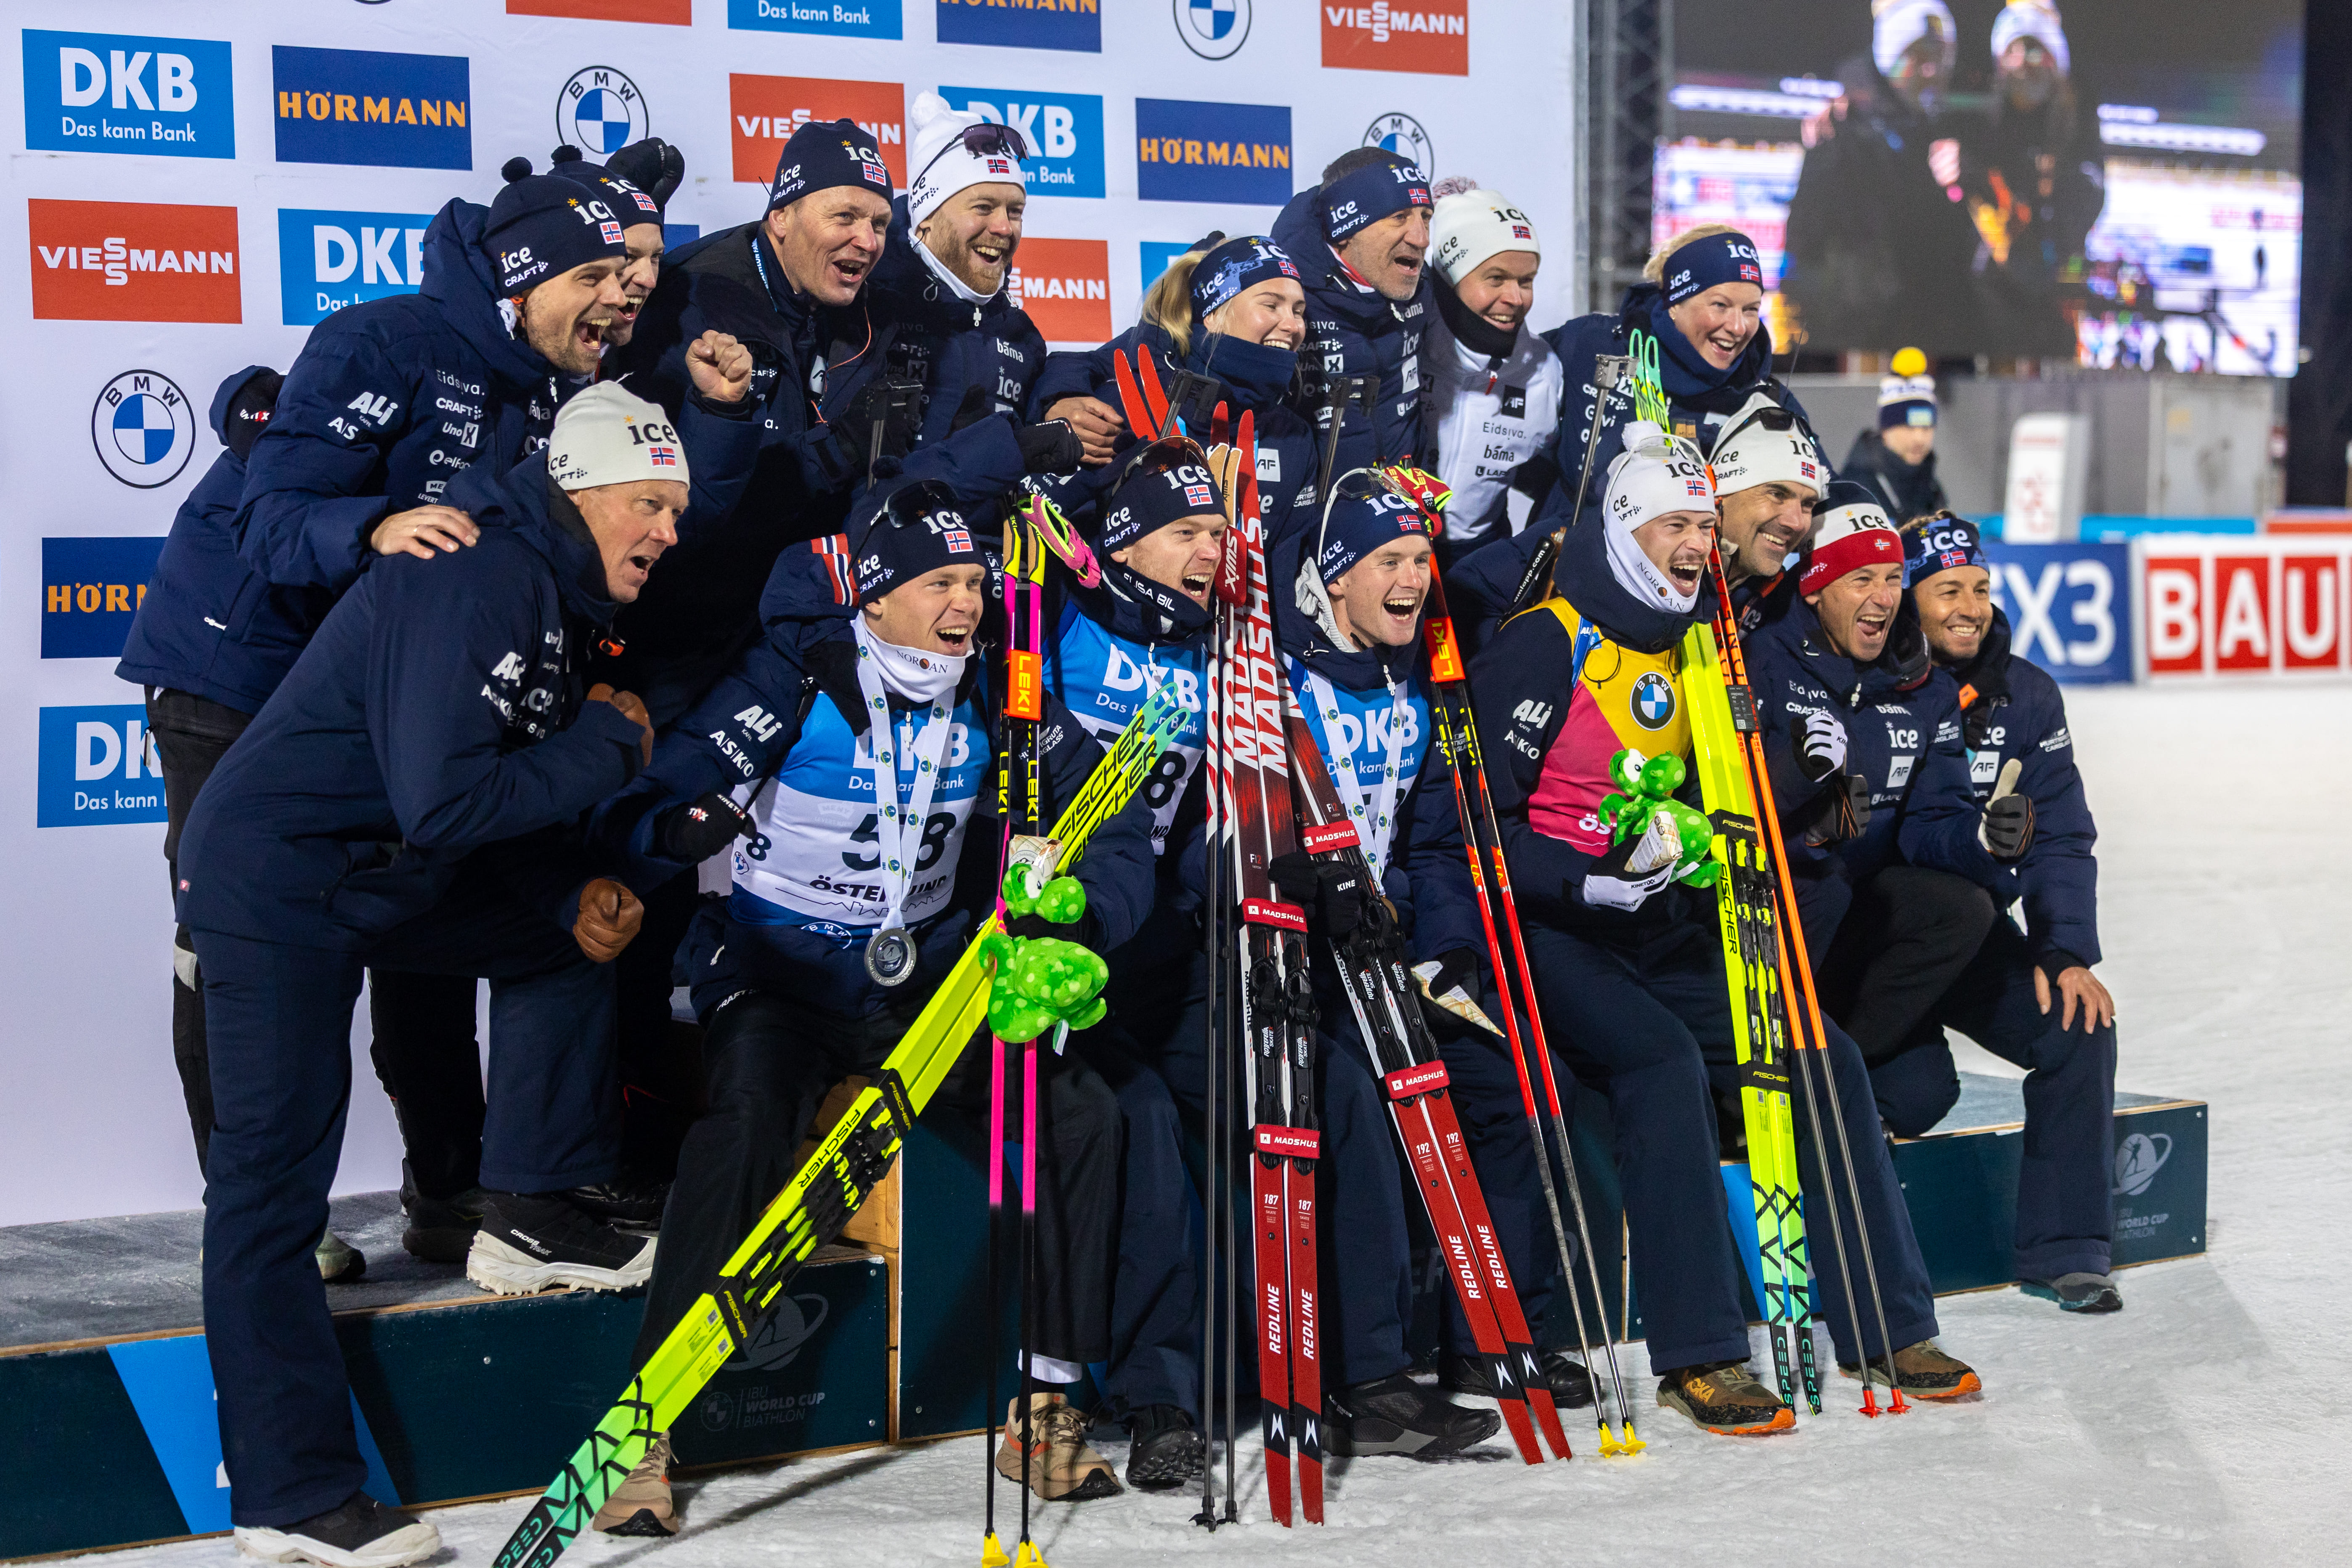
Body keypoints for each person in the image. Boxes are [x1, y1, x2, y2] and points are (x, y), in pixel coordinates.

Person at [176, 384, 713, 1568]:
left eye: (677, 508)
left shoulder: (556, 592)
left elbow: (467, 811)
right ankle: (292, 1490)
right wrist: (603, 741)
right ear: (578, 493)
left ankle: (525, 1201)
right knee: (272, 1177)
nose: (669, 530)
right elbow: (448, 798)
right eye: (649, 505)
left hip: (384, 873)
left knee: (578, 933)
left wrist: (564, 892)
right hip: (279, 880)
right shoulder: (479, 575)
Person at [586, 478, 1159, 1530]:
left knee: (1080, 1111)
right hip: (780, 974)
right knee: (746, 1125)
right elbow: (647, 803)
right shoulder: (796, 678)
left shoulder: (1003, 690)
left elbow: (1115, 825)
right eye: (940, 584)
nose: (966, 605)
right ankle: (645, 1425)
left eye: (976, 583)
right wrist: (674, 833)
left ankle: (1045, 1401)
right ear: (877, 597)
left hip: (925, 984)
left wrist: (1075, 912)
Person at [224, 170, 726, 1266]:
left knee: (446, 914)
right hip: (250, 674)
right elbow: (268, 522)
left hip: (409, 683)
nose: (625, 297)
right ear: (522, 278)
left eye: (635, 274)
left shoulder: (567, 384)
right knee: (236, 951)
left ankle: (467, 1197)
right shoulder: (382, 341)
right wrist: (376, 526)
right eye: (597, 274)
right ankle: (276, 1223)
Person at [1467, 427, 1975, 1430]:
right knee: (1658, 1063)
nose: (1697, 542)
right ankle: (1699, 1352)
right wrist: (1585, 884)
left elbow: (1726, 796)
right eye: (1674, 524)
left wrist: (1798, 770)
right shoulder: (1548, 638)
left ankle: (1889, 1318)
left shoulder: (1704, 637)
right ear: (1622, 529)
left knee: (1818, 1052)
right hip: (1552, 932)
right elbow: (1475, 830)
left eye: (1704, 523)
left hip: (1665, 924)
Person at [1272, 478, 1529, 1445]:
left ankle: (1484, 1337)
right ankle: (1372, 1375)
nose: (1414, 580)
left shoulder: (1411, 683)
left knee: (1497, 1085)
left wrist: (1438, 945)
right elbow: (1248, 842)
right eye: (1389, 562)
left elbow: (1427, 846)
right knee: (1362, 1109)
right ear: (1335, 580)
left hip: (1388, 956)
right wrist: (1316, 909)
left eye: (1422, 562)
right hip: (1294, 961)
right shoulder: (1282, 683)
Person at [113, 366, 371, 1279]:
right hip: (218, 699)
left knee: (285, 945)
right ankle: (247, 1210)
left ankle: (271, 1204)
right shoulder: (306, 415)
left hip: (286, 703)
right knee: (223, 947)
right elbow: (254, 419)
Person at [1854, 515, 2121, 1312]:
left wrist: (2064, 949)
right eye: (1947, 590)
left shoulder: (2027, 694)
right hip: (1874, 946)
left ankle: (2067, 1250)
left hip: (1970, 935)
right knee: (1918, 1095)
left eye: (1979, 588)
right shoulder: (1875, 679)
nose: (1968, 606)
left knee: (2078, 1026)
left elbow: (2063, 835)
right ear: (1909, 599)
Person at [1443, 225, 1813, 653]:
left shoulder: (1766, 403)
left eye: (1751, 309)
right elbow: (1504, 424)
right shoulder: (1591, 344)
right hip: (1561, 596)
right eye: (1720, 305)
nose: (1737, 326)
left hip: (1684, 628)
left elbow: (1818, 502)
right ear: (1675, 301)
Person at [1031, 231, 1321, 551]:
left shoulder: (1293, 435)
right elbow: (1037, 528)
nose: (1293, 326)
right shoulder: (1126, 402)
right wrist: (1058, 400)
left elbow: (1281, 572)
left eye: (1298, 310)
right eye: (1271, 305)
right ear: (1213, 314)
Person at [872, 93, 1079, 488]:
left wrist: (1059, 395)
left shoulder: (1021, 337)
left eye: (1014, 211)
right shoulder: (861, 308)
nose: (1004, 228)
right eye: (983, 207)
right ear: (926, 217)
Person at [1779, 0, 1985, 355]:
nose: (1932, 69)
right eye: (1917, 55)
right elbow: (1804, 247)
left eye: (1943, 56)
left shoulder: (1954, 136)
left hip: (1935, 348)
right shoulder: (1840, 134)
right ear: (1890, 57)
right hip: (1857, 345)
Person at [1419, 179, 1561, 569]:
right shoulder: (1404, 342)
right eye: (1496, 278)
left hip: (1480, 558)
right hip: (1390, 551)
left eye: (1526, 281)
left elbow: (1546, 474)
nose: (1514, 299)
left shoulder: (1544, 371)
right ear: (1449, 277)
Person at [1954, 2, 2105, 360]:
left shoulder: (2076, 128)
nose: (2024, 61)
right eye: (2013, 50)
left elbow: (2088, 199)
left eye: (2035, 49)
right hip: (1980, 323)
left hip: (2049, 321)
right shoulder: (1974, 121)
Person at [1271, 147, 1435, 476]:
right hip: (1306, 516)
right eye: (1399, 217)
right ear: (1345, 227)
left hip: (1394, 506)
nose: (1422, 238)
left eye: (1426, 217)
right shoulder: (1277, 291)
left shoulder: (1420, 282)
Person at [1840, 352, 1950, 525]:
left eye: (1927, 428)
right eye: (1909, 428)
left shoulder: (1931, 486)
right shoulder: (1856, 487)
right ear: (1886, 430)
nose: (1919, 439)